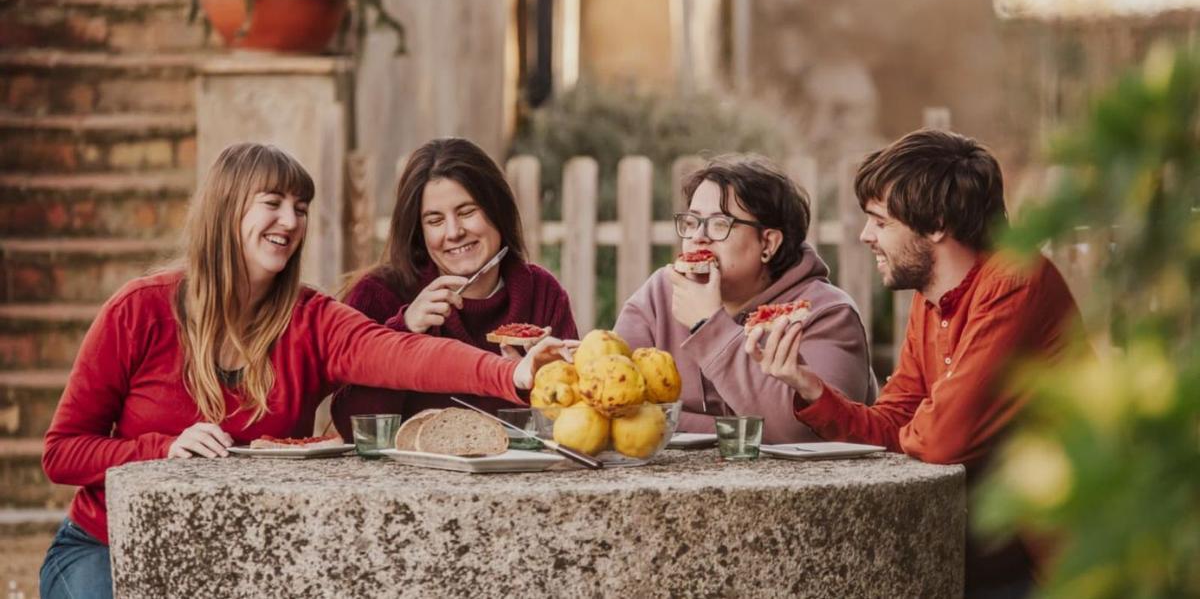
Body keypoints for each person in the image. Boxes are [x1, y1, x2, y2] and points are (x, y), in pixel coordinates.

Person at [38, 143, 569, 599]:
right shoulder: (139, 310)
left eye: (300, 207)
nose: (290, 221)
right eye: (272, 204)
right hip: (108, 544)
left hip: (251, 555)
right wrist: (161, 448)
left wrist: (513, 378)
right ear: (226, 211)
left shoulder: (311, 319)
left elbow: (404, 354)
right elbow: (62, 452)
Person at [748, 129, 1084, 598]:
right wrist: (808, 387)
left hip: (1044, 566)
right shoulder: (930, 302)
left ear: (937, 223)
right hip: (966, 549)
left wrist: (920, 426)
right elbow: (893, 424)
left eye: (880, 222)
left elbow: (942, 439)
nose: (866, 236)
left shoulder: (1015, 279)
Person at [613, 155, 877, 443]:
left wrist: (708, 328)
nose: (698, 237)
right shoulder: (660, 293)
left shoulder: (826, 314)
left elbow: (808, 434)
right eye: (691, 222)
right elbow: (617, 403)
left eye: (719, 223)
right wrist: (738, 429)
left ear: (768, 243)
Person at [331, 138, 577, 438]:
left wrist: (539, 382)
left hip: (515, 479)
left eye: (466, 212)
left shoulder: (542, 293)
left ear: (497, 210)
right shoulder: (379, 294)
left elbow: (571, 419)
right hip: (406, 481)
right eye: (435, 220)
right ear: (419, 232)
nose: (454, 232)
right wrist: (404, 330)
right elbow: (353, 426)